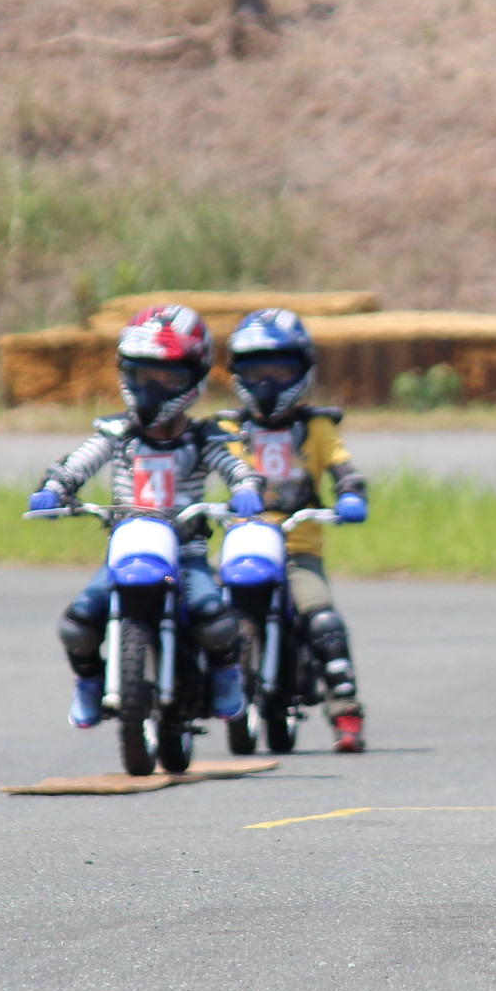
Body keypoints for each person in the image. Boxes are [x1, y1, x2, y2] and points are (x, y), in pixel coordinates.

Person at [28, 305, 265, 729]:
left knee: (215, 617)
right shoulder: (116, 434)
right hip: (126, 549)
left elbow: (238, 469)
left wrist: (246, 491)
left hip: (186, 551)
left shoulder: (203, 437)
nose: (152, 389)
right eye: (141, 376)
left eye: (167, 378)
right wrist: (53, 490)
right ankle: (88, 681)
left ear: (193, 379)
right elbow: (76, 464)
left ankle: (227, 675)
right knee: (78, 622)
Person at [215, 308, 372, 752]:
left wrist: (350, 495)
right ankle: (193, 695)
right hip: (240, 545)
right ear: (237, 373)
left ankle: (345, 710)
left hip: (297, 549)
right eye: (255, 370)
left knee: (321, 618)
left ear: (301, 370)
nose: (268, 382)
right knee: (209, 613)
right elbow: (195, 468)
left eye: (280, 370)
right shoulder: (226, 429)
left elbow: (344, 469)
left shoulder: (316, 427)